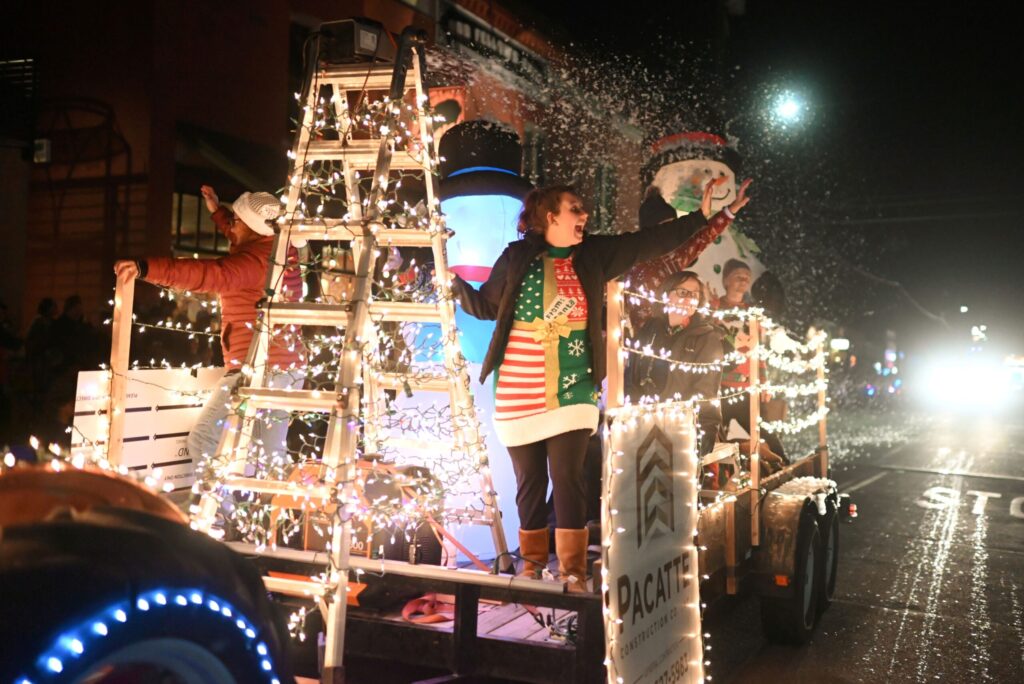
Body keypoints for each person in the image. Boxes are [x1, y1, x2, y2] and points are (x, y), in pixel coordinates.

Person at [452, 178, 751, 591]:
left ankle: (572, 572)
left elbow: (653, 242)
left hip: (573, 390)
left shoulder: (593, 253)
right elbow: (486, 307)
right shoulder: (517, 257)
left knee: (568, 478)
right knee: (529, 484)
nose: (585, 214)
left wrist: (705, 217)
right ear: (550, 215)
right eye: (576, 208)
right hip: (518, 387)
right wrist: (449, 284)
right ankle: (532, 567)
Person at [114, 186, 304, 473]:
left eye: (235, 221)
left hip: (257, 368)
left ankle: (219, 516)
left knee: (203, 440)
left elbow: (206, 274)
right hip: (288, 368)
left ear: (253, 228)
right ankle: (279, 514)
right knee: (269, 456)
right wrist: (219, 213)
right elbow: (239, 231)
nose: (231, 227)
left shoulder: (251, 264)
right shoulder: (280, 249)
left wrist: (146, 268)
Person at [626, 270, 724, 458]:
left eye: (695, 294)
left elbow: (704, 394)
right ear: (667, 293)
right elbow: (632, 376)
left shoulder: (707, 338)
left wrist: (670, 422)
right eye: (682, 292)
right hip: (642, 421)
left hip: (689, 427)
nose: (689, 299)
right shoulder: (650, 330)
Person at [714, 258, 788, 466]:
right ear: (726, 280)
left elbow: (758, 351)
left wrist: (763, 381)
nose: (743, 281)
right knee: (719, 438)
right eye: (738, 276)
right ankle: (724, 477)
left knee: (762, 430)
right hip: (721, 386)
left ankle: (783, 465)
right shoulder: (715, 309)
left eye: (747, 277)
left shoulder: (752, 314)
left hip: (747, 388)